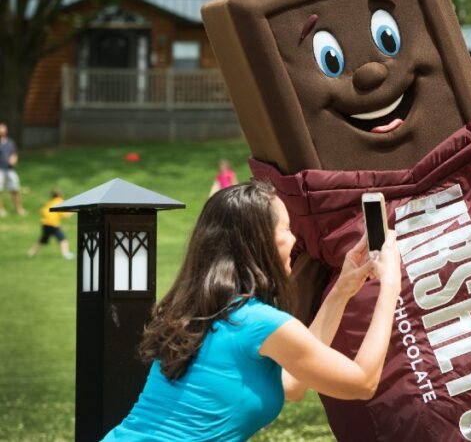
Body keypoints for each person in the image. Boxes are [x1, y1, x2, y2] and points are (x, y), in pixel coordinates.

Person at [103, 179, 402, 441]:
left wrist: (342, 290)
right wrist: (390, 285)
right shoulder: (259, 323)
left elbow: (293, 384)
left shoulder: (202, 314)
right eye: (286, 228)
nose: (294, 239)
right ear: (260, 242)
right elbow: (362, 382)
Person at [27, 190, 73, 260]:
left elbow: (42, 211)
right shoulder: (60, 202)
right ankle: (66, 254)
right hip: (53, 224)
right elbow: (66, 215)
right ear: (60, 195)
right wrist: (73, 211)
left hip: (45, 224)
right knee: (63, 239)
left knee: (42, 240)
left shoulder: (49, 202)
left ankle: (31, 252)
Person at [0, 123, 26, 217]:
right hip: (0, 169)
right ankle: (1, 210)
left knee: (15, 189)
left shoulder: (10, 142)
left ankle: (19, 209)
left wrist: (14, 159)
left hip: (10, 170)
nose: (2, 132)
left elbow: (14, 153)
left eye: (3, 130)